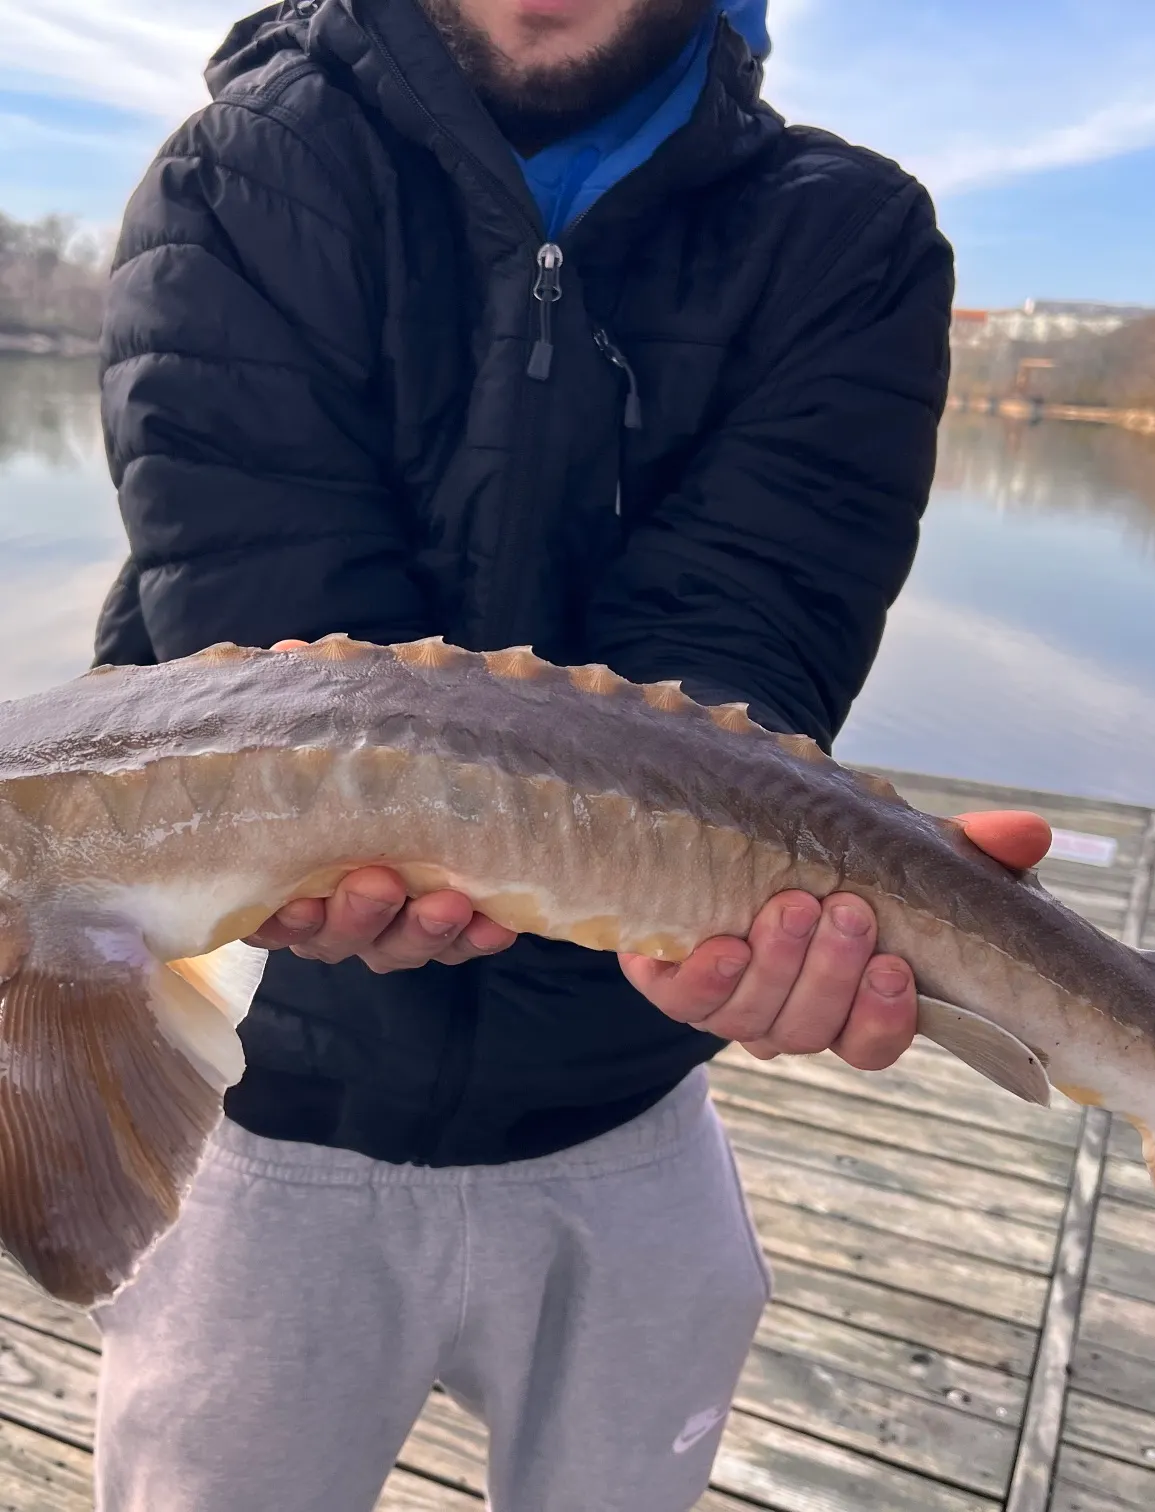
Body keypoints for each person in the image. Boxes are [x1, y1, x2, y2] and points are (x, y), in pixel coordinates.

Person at [89, 0, 1052, 1508]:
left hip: (627, 1099)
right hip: (270, 1114)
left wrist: (763, 906)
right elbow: (274, 660)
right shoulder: (236, 172)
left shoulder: (851, 236)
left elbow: (744, 638)